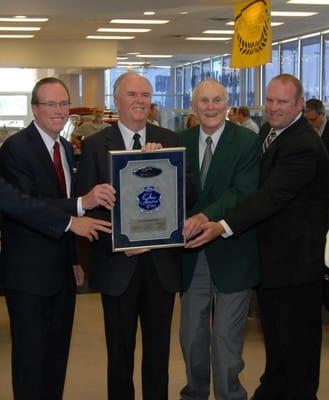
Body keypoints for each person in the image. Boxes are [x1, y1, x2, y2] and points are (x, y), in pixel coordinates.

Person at [185, 74, 329, 400]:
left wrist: (221, 225)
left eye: (282, 102)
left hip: (296, 265)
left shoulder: (303, 145)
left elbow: (270, 197)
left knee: (298, 345)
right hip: (270, 261)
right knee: (277, 340)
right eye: (270, 100)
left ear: (299, 105)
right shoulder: (269, 132)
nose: (274, 108)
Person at [76, 71, 195, 400]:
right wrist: (118, 238)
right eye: (132, 95)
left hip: (161, 267)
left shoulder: (170, 140)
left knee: (158, 356)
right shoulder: (96, 146)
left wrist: (161, 166)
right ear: (116, 101)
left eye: (145, 94)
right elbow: (87, 208)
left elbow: (188, 198)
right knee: (119, 355)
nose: (140, 101)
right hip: (118, 267)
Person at [0, 77, 115, 400]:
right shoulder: (16, 148)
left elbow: (64, 212)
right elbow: (25, 204)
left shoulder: (64, 146)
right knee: (30, 361)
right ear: (34, 109)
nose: (58, 110)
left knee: (56, 357)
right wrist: (80, 206)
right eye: (50, 104)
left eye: (63, 103)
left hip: (61, 272)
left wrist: (74, 259)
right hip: (28, 275)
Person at [179, 79, 260, 400]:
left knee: (225, 341)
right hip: (192, 255)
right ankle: (195, 393)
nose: (210, 107)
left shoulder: (247, 141)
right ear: (193, 106)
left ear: (228, 105)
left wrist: (205, 217)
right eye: (204, 101)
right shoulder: (179, 141)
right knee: (192, 337)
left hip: (233, 253)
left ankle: (230, 395)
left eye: (217, 100)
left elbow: (242, 191)